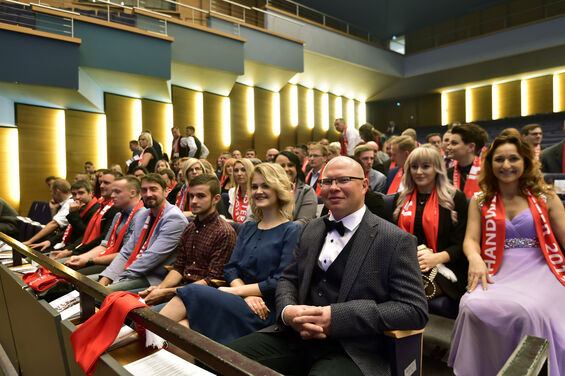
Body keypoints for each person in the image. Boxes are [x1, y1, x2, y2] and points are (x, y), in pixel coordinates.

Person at [228, 156, 428, 375]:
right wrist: (288, 311)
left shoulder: (395, 239)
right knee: (220, 359)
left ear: (364, 186)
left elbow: (413, 309)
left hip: (351, 349)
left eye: (343, 180)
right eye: (327, 182)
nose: (333, 187)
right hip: (294, 337)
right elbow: (288, 279)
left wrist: (336, 317)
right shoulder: (311, 229)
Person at [449, 134, 565, 375]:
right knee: (470, 305)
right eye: (499, 159)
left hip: (540, 268)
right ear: (490, 164)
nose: (506, 165)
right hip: (495, 268)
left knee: (529, 310)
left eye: (513, 158)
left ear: (525, 162)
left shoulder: (547, 198)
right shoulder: (480, 201)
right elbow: (470, 239)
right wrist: (475, 258)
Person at [158, 163, 302, 344]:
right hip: (241, 299)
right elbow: (231, 269)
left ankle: (143, 342)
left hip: (264, 309)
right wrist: (243, 294)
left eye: (265, 185)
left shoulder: (292, 230)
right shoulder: (249, 227)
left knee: (193, 290)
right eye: (255, 186)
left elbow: (279, 281)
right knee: (182, 329)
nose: (258, 191)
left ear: (279, 188)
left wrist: (236, 291)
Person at [138, 174, 237, 307]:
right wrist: (159, 289)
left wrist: (167, 292)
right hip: (181, 289)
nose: (194, 201)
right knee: (128, 304)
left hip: (202, 298)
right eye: (191, 196)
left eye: (201, 196)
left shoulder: (224, 232)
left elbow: (212, 281)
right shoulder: (190, 227)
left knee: (142, 315)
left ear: (216, 199)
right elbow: (179, 267)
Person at [392, 146, 468, 301]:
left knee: (408, 290)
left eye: (425, 166)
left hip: (444, 266)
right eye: (414, 167)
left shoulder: (455, 198)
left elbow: (461, 244)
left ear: (437, 169)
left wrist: (436, 258)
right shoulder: (400, 199)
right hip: (405, 263)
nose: (419, 172)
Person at [97, 174, 188, 291]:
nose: (148, 194)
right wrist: (107, 277)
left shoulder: (174, 218)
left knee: (100, 295)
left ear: (166, 191)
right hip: (133, 271)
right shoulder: (144, 215)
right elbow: (126, 252)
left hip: (154, 278)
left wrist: (119, 278)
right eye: (144, 190)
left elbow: (151, 258)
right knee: (89, 285)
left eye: (153, 189)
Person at [64, 176, 146, 274]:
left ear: (132, 193)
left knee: (76, 276)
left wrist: (89, 260)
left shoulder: (141, 216)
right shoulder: (118, 215)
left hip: (127, 267)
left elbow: (126, 255)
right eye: (112, 192)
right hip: (110, 259)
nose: (112, 195)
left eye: (117, 192)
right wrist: (81, 257)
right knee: (69, 269)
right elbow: (105, 245)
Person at [50, 170, 121, 260]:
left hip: (95, 253)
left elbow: (95, 236)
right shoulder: (101, 205)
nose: (101, 186)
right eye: (100, 182)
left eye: (106, 183)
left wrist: (72, 251)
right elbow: (84, 234)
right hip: (79, 249)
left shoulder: (107, 207)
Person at [30, 180, 99, 252]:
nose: (77, 197)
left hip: (77, 250)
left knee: (36, 260)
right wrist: (50, 241)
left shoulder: (96, 209)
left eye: (81, 193)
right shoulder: (79, 206)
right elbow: (68, 229)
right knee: (32, 255)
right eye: (74, 194)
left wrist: (67, 251)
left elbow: (84, 234)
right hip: (66, 246)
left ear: (91, 193)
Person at [23, 179, 74, 246]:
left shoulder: (69, 203)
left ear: (57, 192)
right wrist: (53, 210)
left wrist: (30, 241)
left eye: (51, 192)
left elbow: (54, 224)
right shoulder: (64, 203)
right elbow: (57, 224)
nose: (51, 194)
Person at [274, 151, 317, 226]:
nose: (286, 169)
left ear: (296, 169)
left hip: (293, 235)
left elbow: (304, 221)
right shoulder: (266, 190)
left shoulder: (306, 191)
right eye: (282, 166)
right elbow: (254, 216)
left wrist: (278, 230)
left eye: (290, 165)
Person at [446, 123, 488, 198]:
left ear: (471, 147)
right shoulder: (446, 175)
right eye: (449, 143)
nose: (448, 147)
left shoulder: (488, 173)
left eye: (454, 143)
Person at [228, 158, 254, 223]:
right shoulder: (231, 192)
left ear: (250, 171)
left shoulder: (256, 192)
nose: (239, 173)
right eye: (236, 170)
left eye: (243, 170)